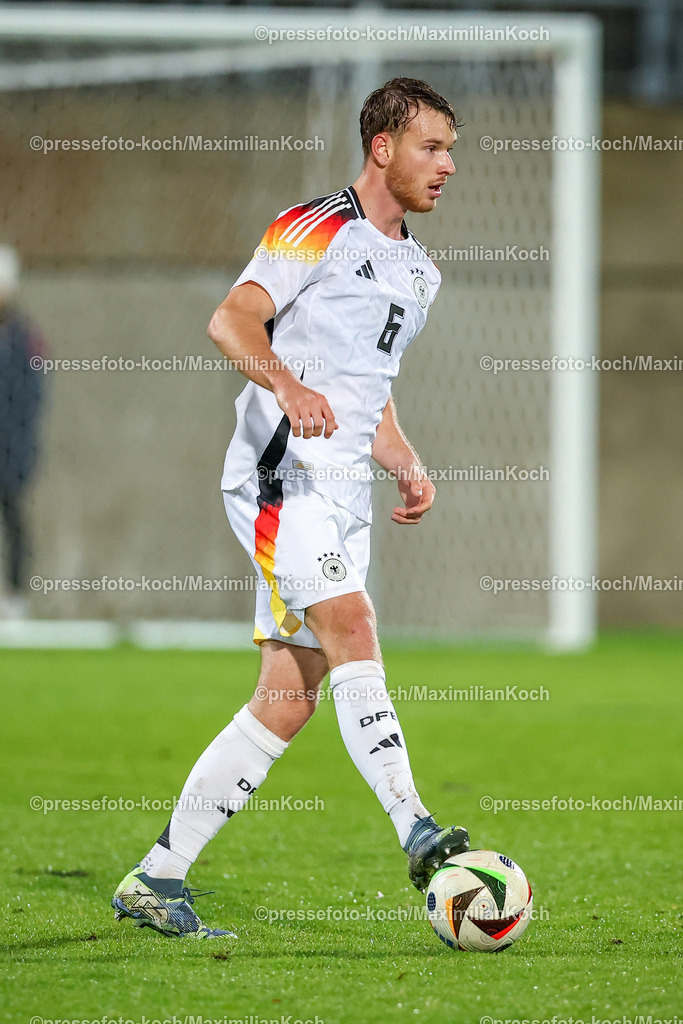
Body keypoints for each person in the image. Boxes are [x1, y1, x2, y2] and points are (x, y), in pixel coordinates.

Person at [112, 78, 470, 939]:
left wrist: (402, 457)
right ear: (381, 146)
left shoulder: (417, 273)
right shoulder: (314, 226)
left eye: (451, 149)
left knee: (290, 695)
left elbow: (368, 391)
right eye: (431, 147)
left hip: (342, 491)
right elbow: (232, 320)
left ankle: (156, 877)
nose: (446, 165)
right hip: (282, 478)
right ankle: (414, 825)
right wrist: (282, 379)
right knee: (353, 625)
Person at [0, 245, 45, 620]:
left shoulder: (23, 337)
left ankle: (15, 598)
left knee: (14, 520)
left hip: (11, 448)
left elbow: (32, 397)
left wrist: (23, 447)